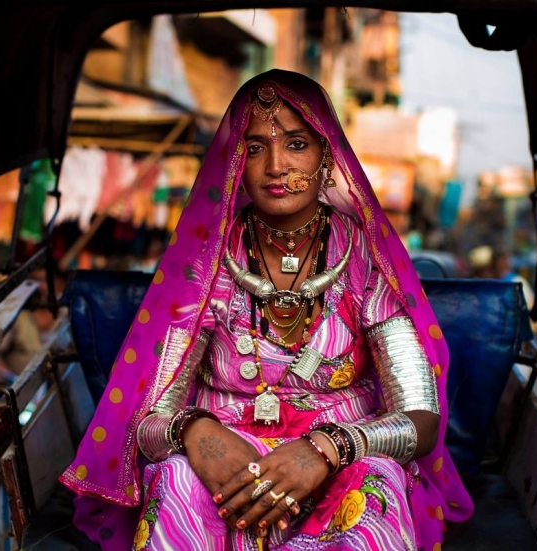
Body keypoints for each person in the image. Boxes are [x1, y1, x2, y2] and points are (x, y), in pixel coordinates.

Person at [60, 70, 472, 551]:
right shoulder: (206, 261)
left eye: (296, 144)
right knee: (172, 478)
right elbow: (147, 421)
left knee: (376, 484)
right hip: (227, 470)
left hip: (341, 462)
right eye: (254, 148)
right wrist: (196, 433)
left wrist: (328, 448)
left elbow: (420, 419)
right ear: (235, 161)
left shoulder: (365, 258)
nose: (276, 165)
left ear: (327, 155)